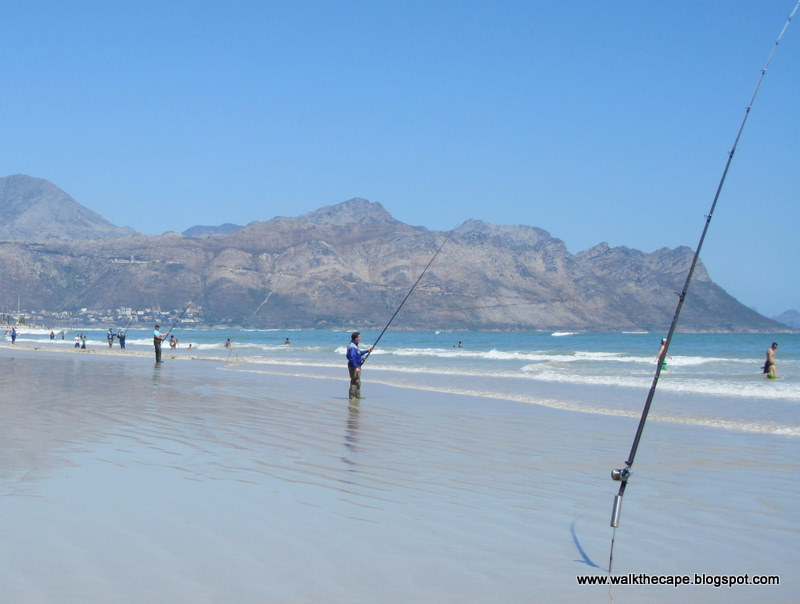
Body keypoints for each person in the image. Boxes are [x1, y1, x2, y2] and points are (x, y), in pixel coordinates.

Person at [346, 332, 373, 400]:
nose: (360, 338)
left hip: (357, 365)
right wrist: (355, 367)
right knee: (354, 381)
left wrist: (367, 351)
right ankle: (352, 397)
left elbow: (359, 353)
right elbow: (352, 357)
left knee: (358, 381)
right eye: (359, 337)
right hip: (354, 366)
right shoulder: (352, 347)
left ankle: (358, 396)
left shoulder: (354, 345)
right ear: (356, 338)